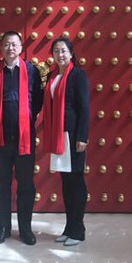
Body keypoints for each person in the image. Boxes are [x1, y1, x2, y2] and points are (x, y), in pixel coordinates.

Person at [0, 30, 43, 246]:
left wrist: (24, 118)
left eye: (14, 44)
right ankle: (3, 228)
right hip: (1, 139)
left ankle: (25, 228)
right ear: (1, 48)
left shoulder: (31, 71)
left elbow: (37, 100)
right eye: (6, 44)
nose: (10, 48)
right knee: (2, 186)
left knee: (26, 185)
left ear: (21, 47)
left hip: (24, 139)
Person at [42, 37, 89, 246]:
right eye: (56, 51)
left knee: (76, 182)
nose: (59, 55)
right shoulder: (52, 76)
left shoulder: (78, 75)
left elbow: (84, 108)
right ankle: (69, 228)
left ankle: (78, 230)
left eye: (63, 51)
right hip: (58, 135)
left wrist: (82, 137)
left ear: (70, 53)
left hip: (73, 135)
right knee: (66, 182)